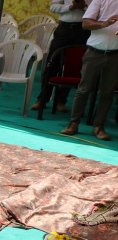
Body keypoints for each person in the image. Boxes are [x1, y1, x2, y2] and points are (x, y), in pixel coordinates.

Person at [61, 0, 118, 140]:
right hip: (94, 52)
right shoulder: (100, 0)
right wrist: (104, 23)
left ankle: (98, 126)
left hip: (115, 54)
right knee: (84, 90)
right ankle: (73, 123)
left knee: (107, 92)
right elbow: (85, 24)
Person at [31, 0, 91, 112]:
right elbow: (53, 7)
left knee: (74, 67)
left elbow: (99, 11)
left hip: (83, 30)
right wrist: (70, 7)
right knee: (52, 63)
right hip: (64, 29)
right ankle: (42, 99)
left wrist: (84, 8)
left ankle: (61, 101)